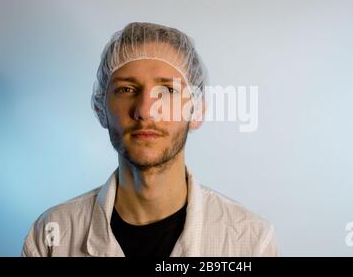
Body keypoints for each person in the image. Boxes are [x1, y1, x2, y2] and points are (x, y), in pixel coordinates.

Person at [21, 22, 279, 257]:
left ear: (196, 110)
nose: (145, 110)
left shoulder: (249, 241)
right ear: (101, 109)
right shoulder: (53, 237)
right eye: (126, 89)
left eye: (167, 90)